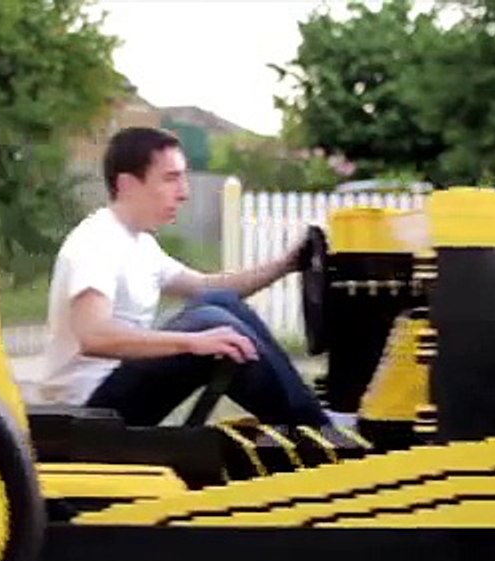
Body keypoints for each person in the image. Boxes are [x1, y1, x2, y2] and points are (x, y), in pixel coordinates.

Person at [38, 126, 337, 429]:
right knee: (208, 322)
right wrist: (192, 342)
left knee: (219, 304)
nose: (184, 193)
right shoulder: (97, 241)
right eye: (170, 179)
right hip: (84, 416)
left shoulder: (140, 244)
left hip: (113, 399)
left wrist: (286, 264)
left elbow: (208, 287)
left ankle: (314, 423)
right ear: (127, 185)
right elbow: (94, 336)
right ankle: (315, 433)